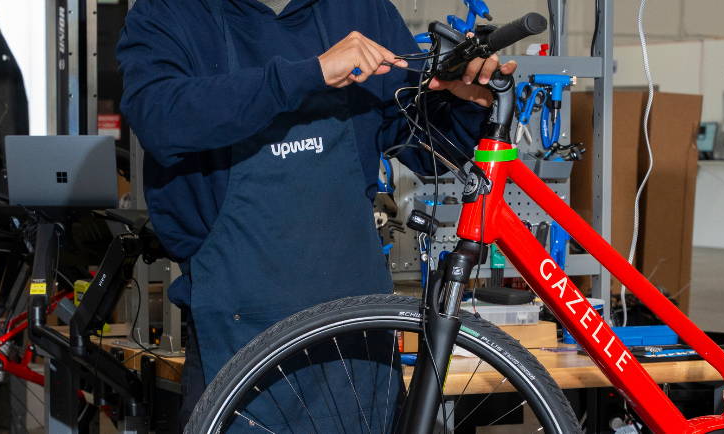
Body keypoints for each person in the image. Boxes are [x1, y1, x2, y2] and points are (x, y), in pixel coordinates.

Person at [116, 0, 516, 430]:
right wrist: (311, 73)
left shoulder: (360, 9)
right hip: (239, 334)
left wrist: (468, 104)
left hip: (358, 330)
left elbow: (425, 144)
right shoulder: (172, 13)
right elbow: (160, 118)